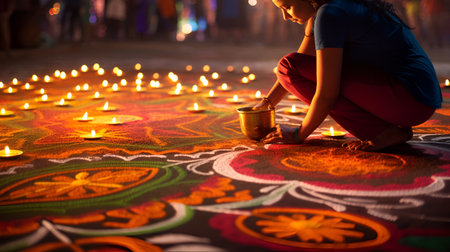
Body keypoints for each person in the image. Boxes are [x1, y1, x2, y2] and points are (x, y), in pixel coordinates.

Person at [253, 0, 442, 151]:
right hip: (420, 97)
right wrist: (266, 104)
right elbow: (301, 62)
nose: (285, 17)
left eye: (288, 7)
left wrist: (298, 134)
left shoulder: (330, 14)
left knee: (290, 67)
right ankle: (389, 129)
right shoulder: (334, 8)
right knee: (291, 67)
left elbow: (326, 92)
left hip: (407, 99)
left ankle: (382, 132)